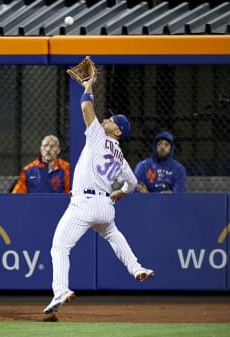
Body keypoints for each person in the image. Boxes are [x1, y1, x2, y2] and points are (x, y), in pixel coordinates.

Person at [43, 68, 154, 315]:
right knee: (113, 233)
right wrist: (121, 193)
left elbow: (85, 108)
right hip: (105, 206)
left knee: (59, 247)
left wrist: (88, 86)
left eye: (112, 120)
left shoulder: (97, 137)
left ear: (117, 132)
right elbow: (133, 182)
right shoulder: (121, 156)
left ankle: (60, 290)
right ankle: (136, 268)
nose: (107, 119)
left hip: (84, 202)